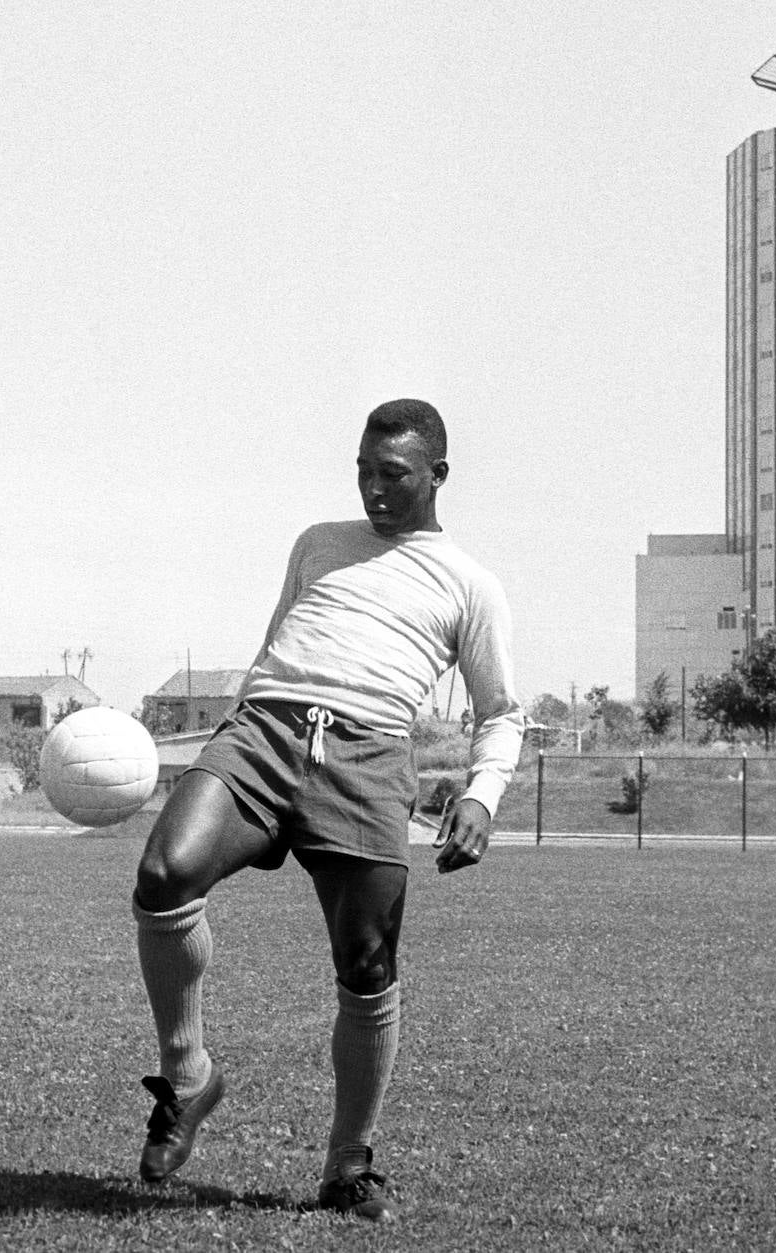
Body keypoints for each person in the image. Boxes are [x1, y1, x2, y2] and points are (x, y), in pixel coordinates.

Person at [132, 398, 523, 1222]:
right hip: (268, 730)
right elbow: (276, 642)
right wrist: (240, 721)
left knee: (368, 965)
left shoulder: (470, 584)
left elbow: (502, 712)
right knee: (165, 872)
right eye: (364, 471)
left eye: (394, 476)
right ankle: (190, 1072)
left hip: (370, 756)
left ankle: (348, 1164)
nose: (375, 490)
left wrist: (482, 796)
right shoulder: (317, 542)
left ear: (437, 477)